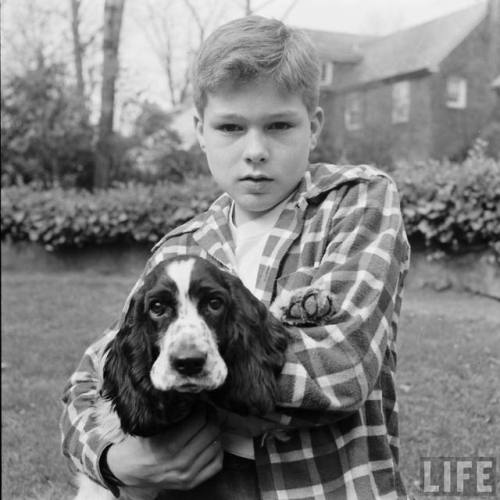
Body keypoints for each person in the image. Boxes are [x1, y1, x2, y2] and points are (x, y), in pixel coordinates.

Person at [60, 15, 410, 500]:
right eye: (230, 127)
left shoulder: (358, 203)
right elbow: (89, 378)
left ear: (315, 127)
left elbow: (342, 369)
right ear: (200, 130)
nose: (255, 151)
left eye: (280, 125)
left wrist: (190, 365)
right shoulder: (179, 249)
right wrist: (112, 460)